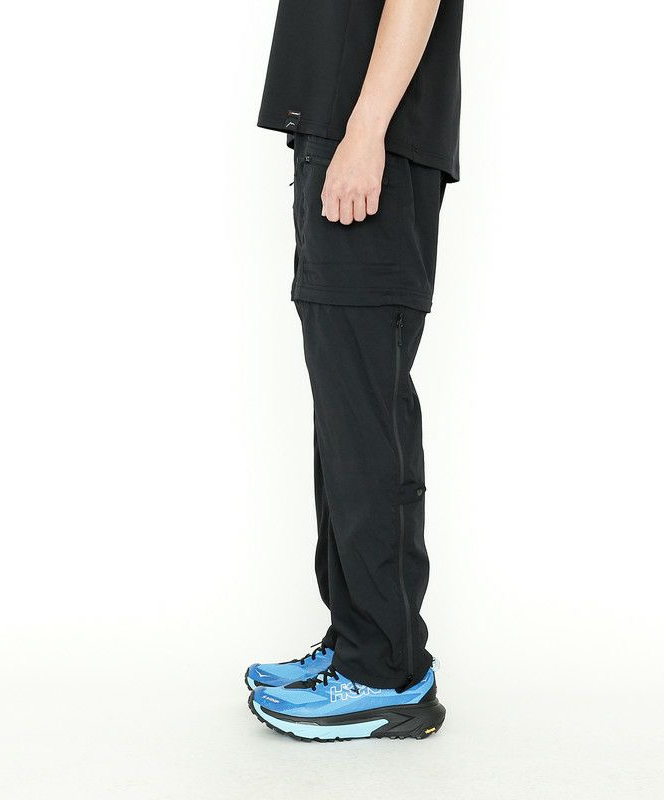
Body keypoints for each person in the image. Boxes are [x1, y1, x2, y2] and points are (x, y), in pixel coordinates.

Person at [245, 0, 463, 741]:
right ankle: (355, 641)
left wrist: (366, 131)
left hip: (374, 145)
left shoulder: (370, 136)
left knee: (368, 418)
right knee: (345, 415)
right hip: (339, 139)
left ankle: (386, 673)